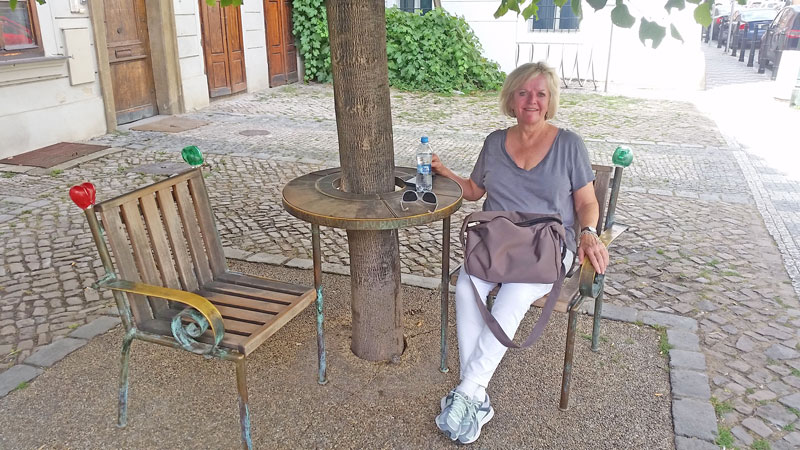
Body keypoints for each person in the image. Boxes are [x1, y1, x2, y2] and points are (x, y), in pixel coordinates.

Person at [430, 62, 609, 444]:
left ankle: (466, 393)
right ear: (512, 98)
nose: (532, 100)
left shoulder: (569, 145)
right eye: (524, 93)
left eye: (540, 94)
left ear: (550, 101)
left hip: (546, 246)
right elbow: (475, 191)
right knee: (466, 287)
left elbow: (587, 202)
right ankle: (475, 397)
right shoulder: (494, 142)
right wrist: (444, 171)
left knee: (511, 297)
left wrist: (590, 233)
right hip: (497, 241)